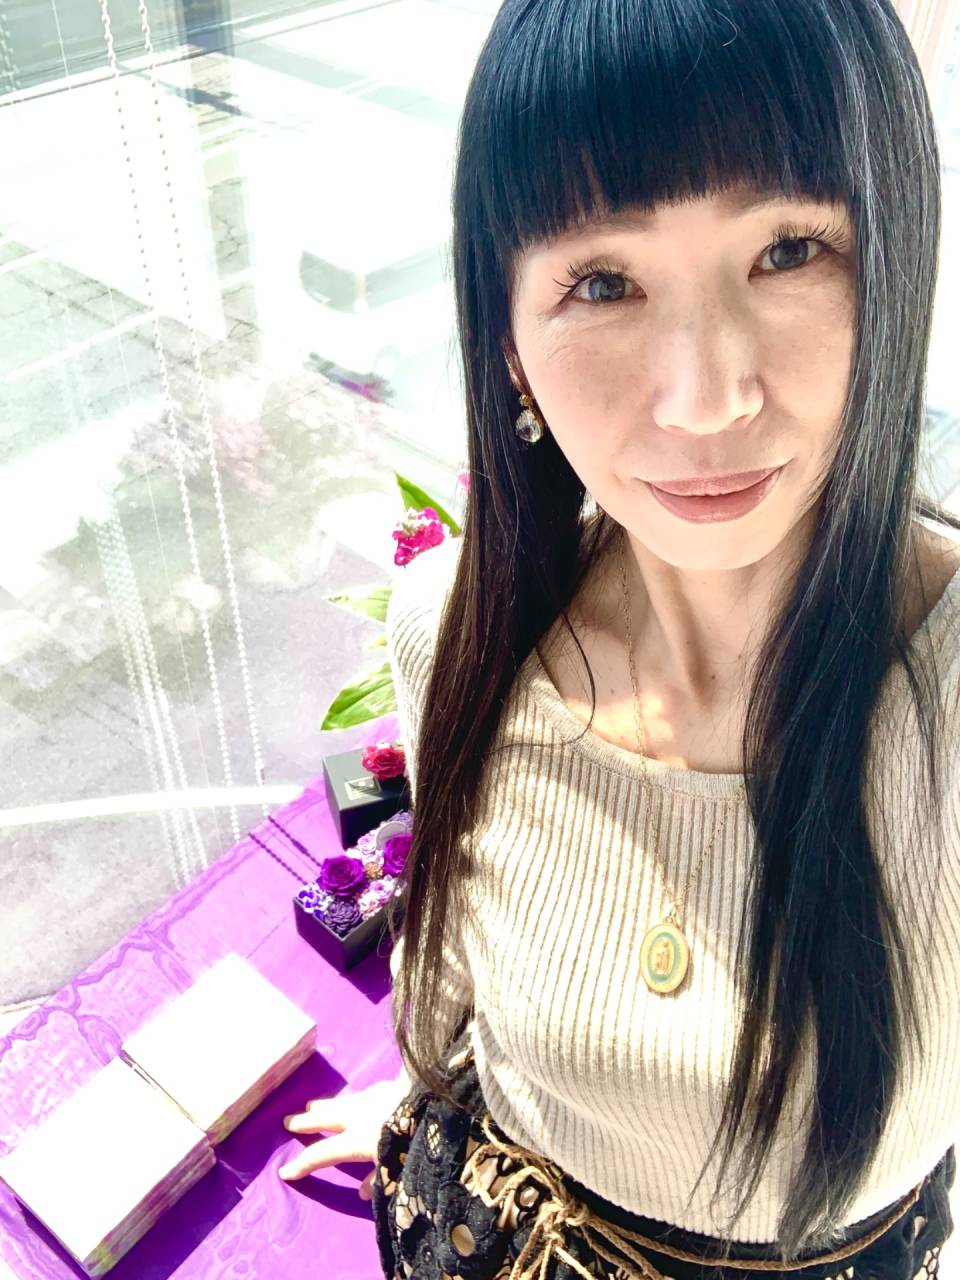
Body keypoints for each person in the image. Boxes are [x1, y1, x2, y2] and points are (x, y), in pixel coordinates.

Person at [278, 0, 960, 1275]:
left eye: (789, 250)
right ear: (508, 341)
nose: (706, 397)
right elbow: (450, 959)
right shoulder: (458, 625)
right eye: (603, 281)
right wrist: (428, 1106)